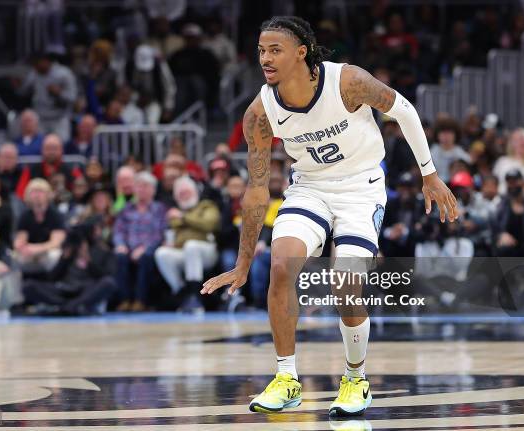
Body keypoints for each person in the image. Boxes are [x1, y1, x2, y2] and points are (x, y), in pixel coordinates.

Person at [200, 16, 457, 417]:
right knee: (282, 265)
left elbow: (403, 110)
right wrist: (243, 262)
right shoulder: (259, 112)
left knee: (345, 282)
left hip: (360, 188)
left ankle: (356, 378)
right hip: (310, 188)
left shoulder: (347, 81)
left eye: (275, 50)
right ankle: (286, 379)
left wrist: (430, 175)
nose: (265, 59)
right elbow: (255, 191)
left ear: (301, 52)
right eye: (261, 51)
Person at [154, 176, 220, 311]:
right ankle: (182, 291)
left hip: (207, 251)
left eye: (186, 192)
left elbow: (209, 224)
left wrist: (183, 217)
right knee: (161, 253)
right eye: (180, 194)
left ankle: (195, 295)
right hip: (184, 252)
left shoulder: (206, 206)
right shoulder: (174, 212)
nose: (184, 196)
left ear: (195, 191)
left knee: (191, 245)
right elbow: (172, 233)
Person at [113, 172, 166, 311]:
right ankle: (124, 300)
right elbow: (119, 230)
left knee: (146, 257)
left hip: (148, 249)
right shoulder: (126, 208)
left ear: (153, 190)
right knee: (120, 257)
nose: (141, 189)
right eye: (138, 186)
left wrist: (144, 248)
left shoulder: (159, 209)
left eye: (145, 186)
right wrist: (121, 245)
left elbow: (159, 234)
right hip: (128, 247)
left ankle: (140, 300)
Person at [14, 179, 66, 275]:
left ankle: (54, 281)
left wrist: (36, 248)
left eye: (40, 191)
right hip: (30, 252)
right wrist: (21, 247)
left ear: (48, 195)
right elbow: (20, 240)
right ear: (28, 195)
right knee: (14, 258)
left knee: (54, 255)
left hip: (46, 251)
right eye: (33, 192)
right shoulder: (25, 216)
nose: (37, 195)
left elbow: (56, 243)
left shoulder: (55, 215)